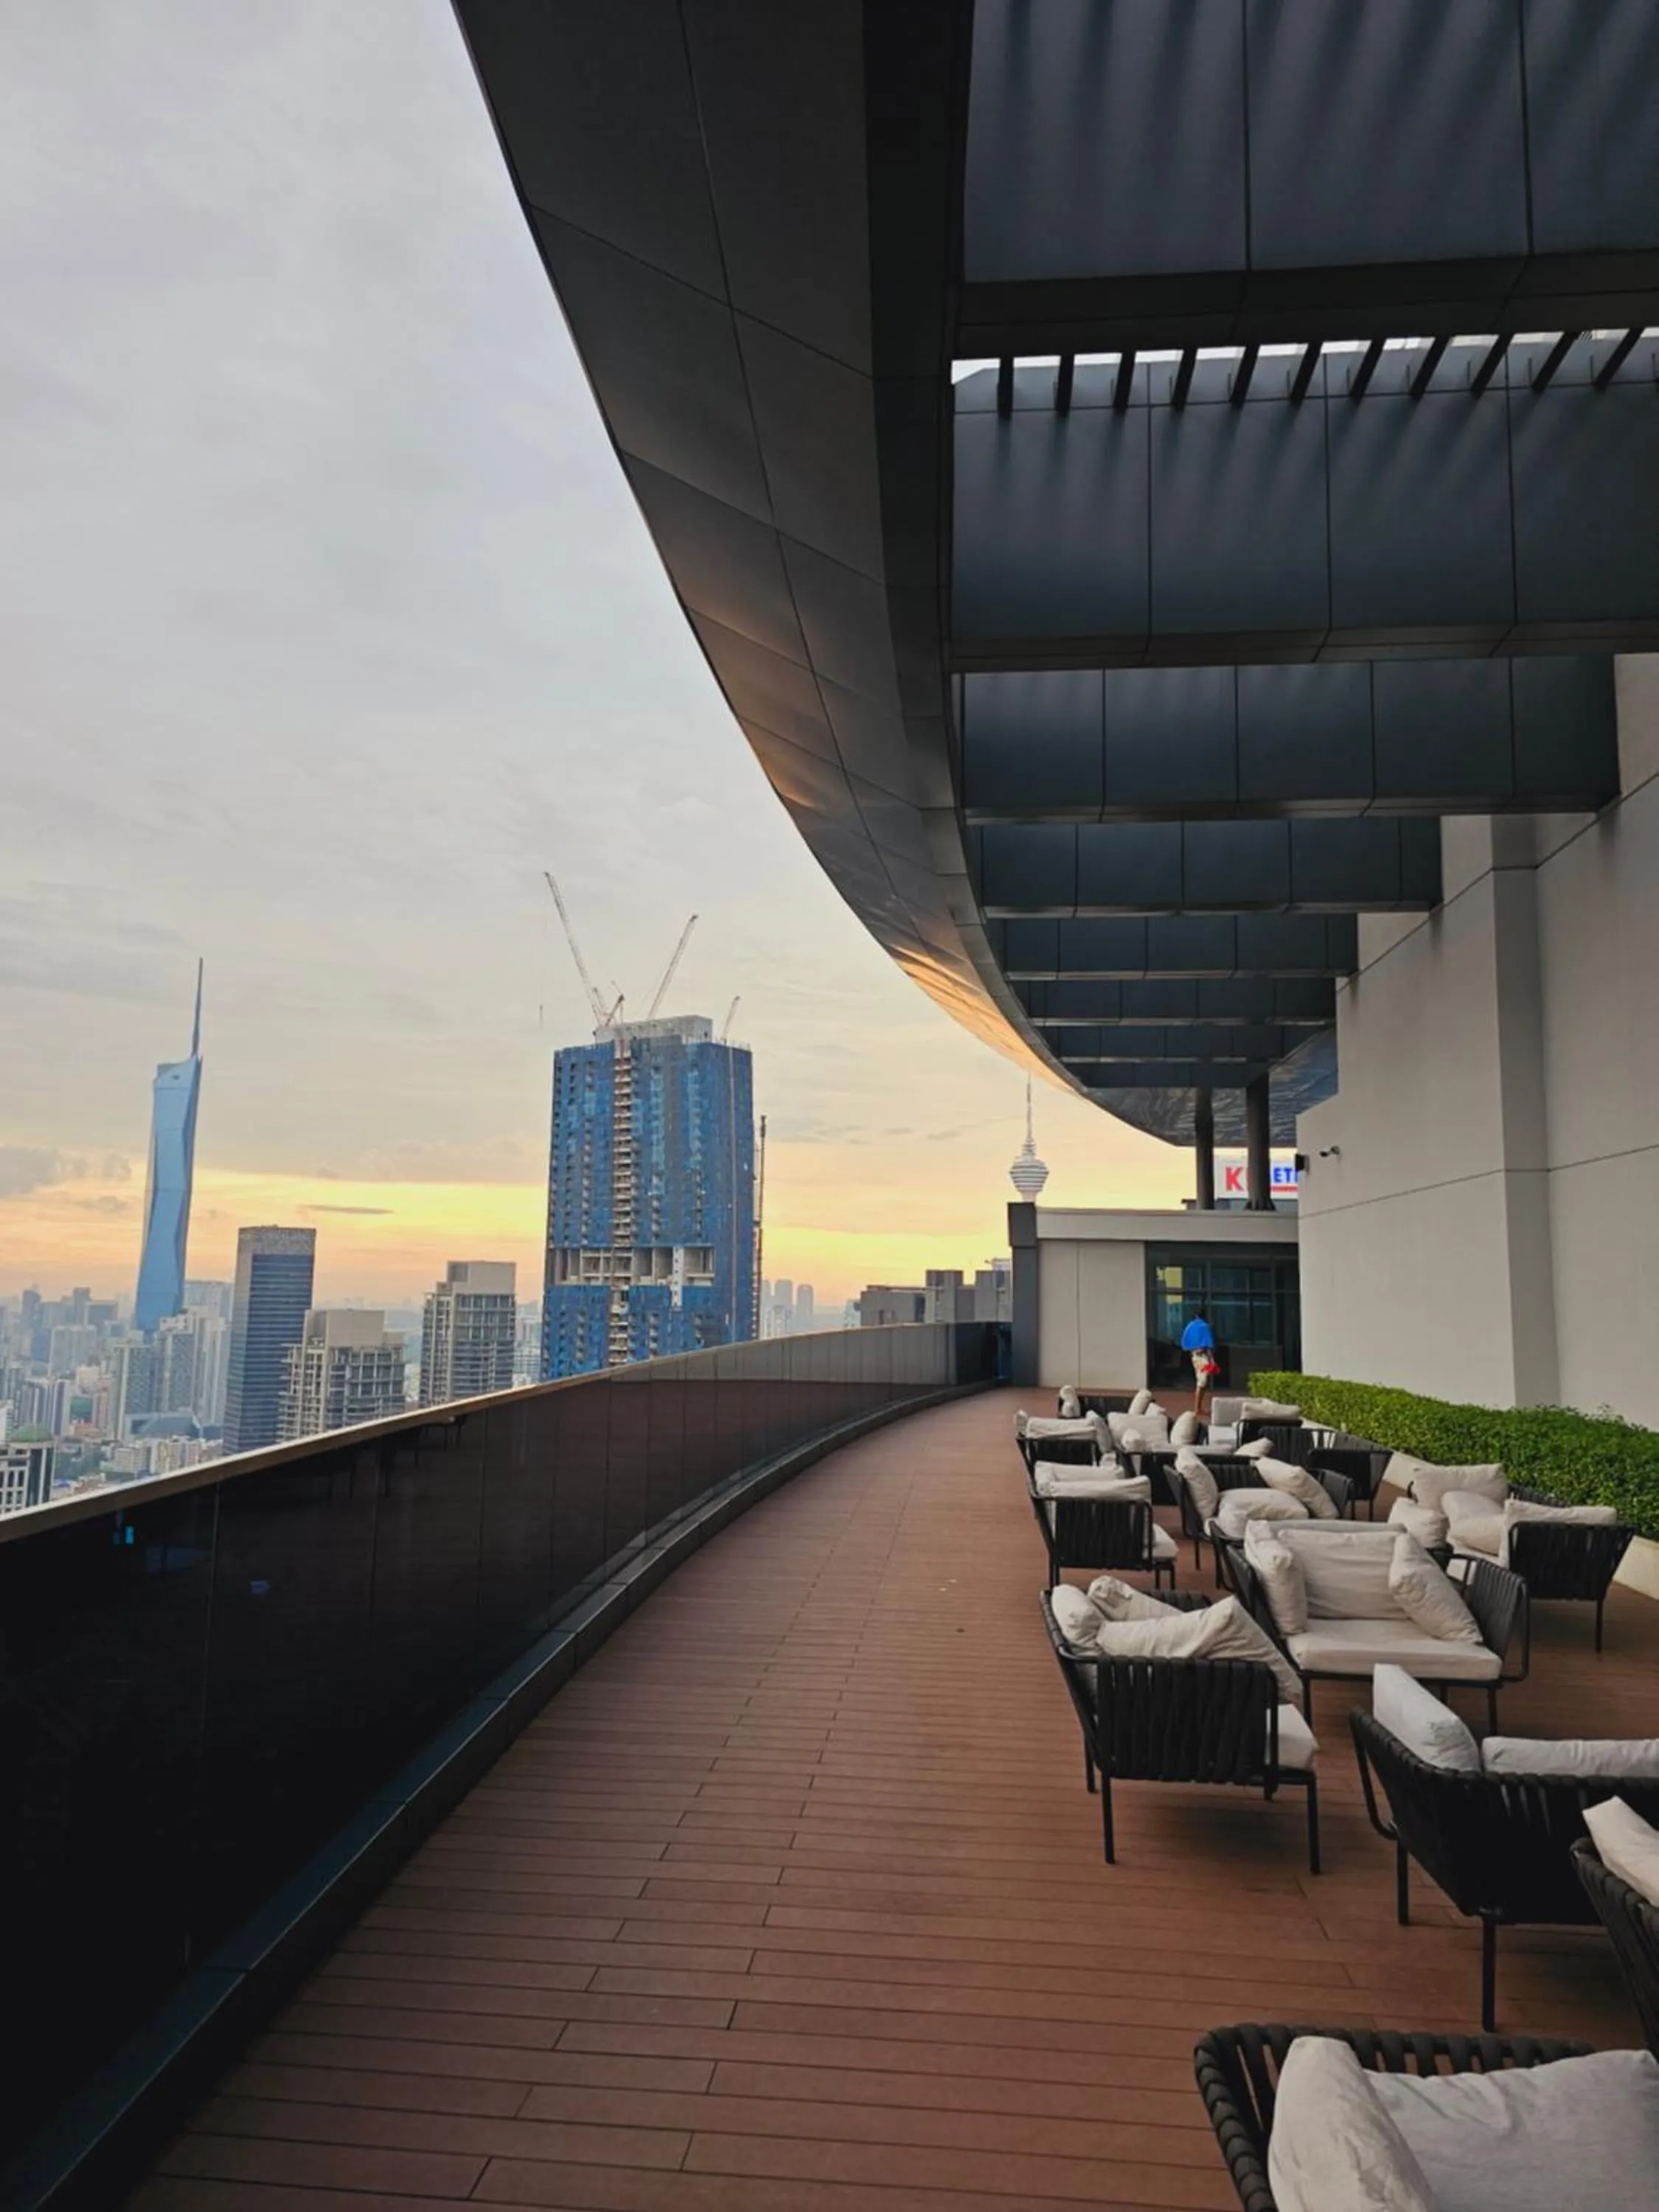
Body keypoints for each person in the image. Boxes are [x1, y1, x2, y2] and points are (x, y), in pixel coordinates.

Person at [1179, 1312, 1218, 1416]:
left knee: (1201, 1382)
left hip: (1194, 1356)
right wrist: (1212, 1360)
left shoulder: (1190, 1326)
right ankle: (1198, 1408)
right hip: (1202, 1357)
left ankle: (1198, 1407)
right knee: (1202, 1382)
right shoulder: (1204, 1326)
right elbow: (1207, 1345)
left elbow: (1185, 1343)